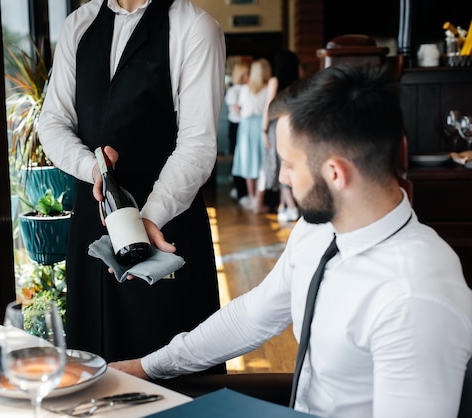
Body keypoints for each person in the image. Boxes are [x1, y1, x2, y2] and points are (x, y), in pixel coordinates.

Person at [111, 63, 472, 417]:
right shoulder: (319, 229)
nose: (281, 177)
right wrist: (146, 367)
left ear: (335, 173)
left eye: (289, 163)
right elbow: (252, 316)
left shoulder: (415, 296)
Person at [37, 0, 227, 374]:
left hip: (165, 225)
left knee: (168, 367)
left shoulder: (194, 28)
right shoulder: (79, 24)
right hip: (93, 223)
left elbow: (198, 145)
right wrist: (95, 170)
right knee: (91, 366)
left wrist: (148, 216)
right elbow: (53, 122)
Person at [259, 50, 301, 223]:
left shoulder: (275, 80)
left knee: (278, 165)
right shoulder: (298, 82)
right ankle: (284, 206)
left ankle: (291, 206)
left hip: (277, 126)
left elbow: (269, 107)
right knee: (287, 162)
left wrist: (263, 130)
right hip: (293, 124)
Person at [231, 58, 273, 214]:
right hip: (261, 126)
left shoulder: (245, 89)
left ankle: (251, 197)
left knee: (248, 162)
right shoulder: (268, 88)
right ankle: (258, 200)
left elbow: (241, 108)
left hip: (246, 126)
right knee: (262, 162)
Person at [224, 61, 250, 206]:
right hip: (236, 126)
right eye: (247, 73)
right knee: (237, 159)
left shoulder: (247, 88)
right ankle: (240, 190)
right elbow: (240, 111)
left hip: (245, 125)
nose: (249, 76)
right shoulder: (233, 91)